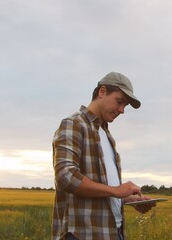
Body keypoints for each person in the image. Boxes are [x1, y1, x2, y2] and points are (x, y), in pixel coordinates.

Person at [52, 72, 155, 240]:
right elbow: (66, 176)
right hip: (83, 235)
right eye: (119, 101)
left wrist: (127, 199)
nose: (121, 110)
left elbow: (102, 190)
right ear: (102, 92)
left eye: (125, 106)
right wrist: (117, 190)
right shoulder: (74, 124)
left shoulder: (107, 135)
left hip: (113, 232)